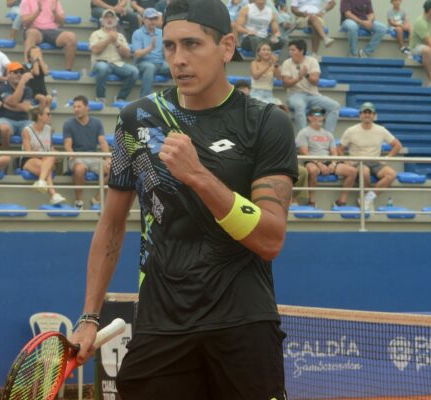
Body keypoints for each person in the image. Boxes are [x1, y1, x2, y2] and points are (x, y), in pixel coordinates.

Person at [69, 0, 297, 398]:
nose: (179, 59)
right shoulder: (136, 120)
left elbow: (270, 238)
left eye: (192, 44)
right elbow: (111, 224)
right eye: (170, 46)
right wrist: (90, 316)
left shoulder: (266, 122)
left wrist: (198, 175)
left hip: (243, 325)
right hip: (161, 326)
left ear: (226, 47)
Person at [340, 102, 401, 212]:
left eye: (370, 112)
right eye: (364, 112)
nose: (367, 115)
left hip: (375, 162)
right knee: (365, 172)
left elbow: (397, 145)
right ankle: (366, 200)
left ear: (374, 115)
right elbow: (339, 149)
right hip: (358, 161)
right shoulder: (351, 130)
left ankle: (367, 198)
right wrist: (345, 162)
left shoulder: (381, 130)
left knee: (391, 174)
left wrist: (387, 158)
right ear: (360, 115)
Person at [296, 107, 356, 207]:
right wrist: (319, 163)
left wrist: (333, 163)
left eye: (322, 115)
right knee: (313, 170)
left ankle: (342, 200)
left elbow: (333, 152)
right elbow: (304, 152)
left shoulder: (328, 134)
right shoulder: (304, 132)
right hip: (312, 161)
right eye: (317, 115)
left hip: (327, 160)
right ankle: (311, 200)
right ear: (309, 117)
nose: (320, 117)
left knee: (352, 171)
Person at [281, 39, 339, 133]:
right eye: (290, 50)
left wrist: (307, 75)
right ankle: (303, 136)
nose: (290, 52)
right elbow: (286, 83)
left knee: (335, 106)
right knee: (299, 106)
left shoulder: (312, 61)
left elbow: (315, 81)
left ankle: (327, 136)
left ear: (301, 51)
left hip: (313, 95)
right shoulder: (287, 63)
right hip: (295, 94)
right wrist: (299, 78)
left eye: (293, 50)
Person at [62, 95, 109, 209]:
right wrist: (71, 154)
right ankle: (78, 201)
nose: (76, 109)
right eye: (74, 107)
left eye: (79, 106)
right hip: (77, 157)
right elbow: (67, 144)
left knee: (114, 169)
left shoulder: (97, 123)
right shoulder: (68, 124)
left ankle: (96, 199)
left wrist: (108, 158)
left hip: (94, 157)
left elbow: (102, 142)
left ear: (87, 107)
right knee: (79, 169)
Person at [89, 9, 138, 103]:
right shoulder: (95, 34)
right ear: (102, 21)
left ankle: (121, 97)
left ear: (116, 21)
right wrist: (109, 39)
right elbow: (95, 50)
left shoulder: (120, 36)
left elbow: (127, 54)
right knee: (103, 68)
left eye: (112, 17)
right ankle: (100, 98)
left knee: (134, 72)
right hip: (100, 62)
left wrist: (116, 42)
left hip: (117, 63)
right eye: (106, 17)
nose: (109, 19)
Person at [21, 107, 66, 205]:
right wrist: (44, 153)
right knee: (47, 167)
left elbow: (50, 147)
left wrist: (58, 153)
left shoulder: (49, 129)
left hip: (45, 159)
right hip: (30, 160)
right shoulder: (27, 130)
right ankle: (53, 194)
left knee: (48, 161)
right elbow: (28, 153)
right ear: (39, 116)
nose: (50, 116)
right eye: (48, 114)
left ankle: (42, 181)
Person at [20, 0, 77, 69]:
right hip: (35, 29)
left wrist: (54, 12)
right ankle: (28, 67)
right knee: (32, 33)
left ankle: (68, 70)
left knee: (71, 37)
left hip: (52, 30)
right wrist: (38, 11)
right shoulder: (26, 1)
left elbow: (62, 23)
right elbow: (25, 22)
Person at [0, 61, 34, 148]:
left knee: (39, 128)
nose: (19, 75)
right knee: (4, 129)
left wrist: (3, 105)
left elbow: (25, 107)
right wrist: (22, 82)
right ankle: (5, 156)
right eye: (15, 72)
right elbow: (13, 102)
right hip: (5, 119)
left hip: (23, 120)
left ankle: (28, 158)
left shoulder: (28, 90)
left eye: (21, 72)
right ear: (8, 74)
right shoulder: (1, 88)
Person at [131, 7, 169, 98]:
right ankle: (144, 98)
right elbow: (137, 54)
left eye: (155, 18)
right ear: (144, 19)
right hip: (143, 63)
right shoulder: (138, 33)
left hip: (160, 63)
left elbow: (165, 52)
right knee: (150, 68)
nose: (153, 21)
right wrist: (150, 48)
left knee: (176, 67)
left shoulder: (161, 32)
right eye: (150, 19)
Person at [250, 42, 284, 108]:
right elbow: (255, 76)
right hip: (255, 93)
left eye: (268, 50)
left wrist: (276, 65)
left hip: (269, 94)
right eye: (264, 49)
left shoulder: (274, 65)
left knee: (280, 107)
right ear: (259, 53)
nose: (267, 52)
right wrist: (269, 64)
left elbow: (279, 78)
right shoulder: (254, 63)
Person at [25, 45, 51, 111]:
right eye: (34, 54)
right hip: (33, 91)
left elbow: (46, 72)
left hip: (42, 90)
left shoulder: (43, 65)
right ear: (29, 58)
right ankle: (39, 115)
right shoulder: (28, 66)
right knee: (42, 98)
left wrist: (40, 59)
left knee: (49, 98)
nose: (37, 55)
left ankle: (46, 113)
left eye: (38, 53)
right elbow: (36, 72)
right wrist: (35, 60)